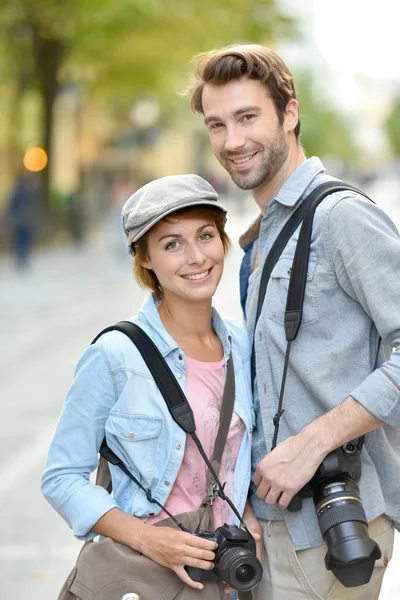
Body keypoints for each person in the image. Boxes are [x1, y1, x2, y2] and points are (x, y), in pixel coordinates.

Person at [187, 44, 400, 599]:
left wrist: (312, 444)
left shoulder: (341, 217)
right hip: (277, 522)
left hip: (329, 525)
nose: (232, 141)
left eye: (248, 117)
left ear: (290, 114)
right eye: (217, 124)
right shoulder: (266, 231)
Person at [41, 174, 261, 599]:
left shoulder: (243, 345)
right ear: (145, 258)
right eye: (172, 244)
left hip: (227, 577)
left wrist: (248, 516)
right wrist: (147, 538)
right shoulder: (116, 355)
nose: (196, 257)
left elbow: (238, 461)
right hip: (143, 581)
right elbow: (62, 476)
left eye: (205, 235)